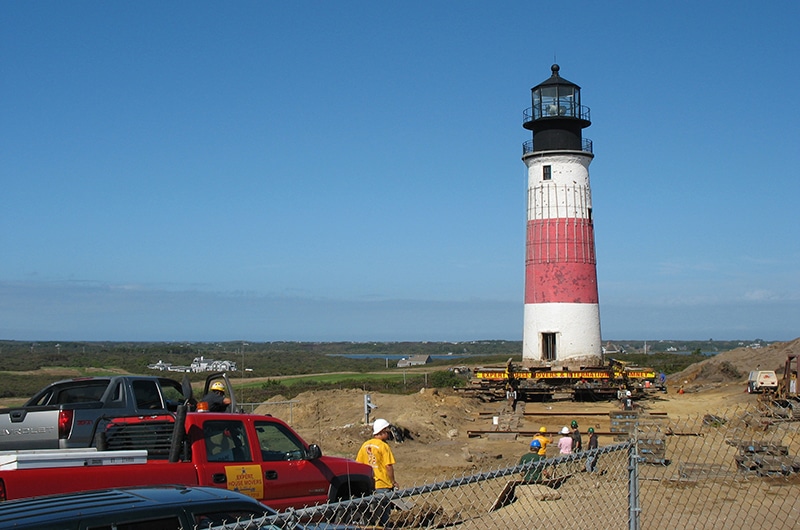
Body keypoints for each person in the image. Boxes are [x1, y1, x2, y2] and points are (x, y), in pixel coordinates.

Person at [356, 418, 397, 526]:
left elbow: (358, 465)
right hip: (382, 483)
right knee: (384, 510)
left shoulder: (365, 445)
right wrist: (393, 481)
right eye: (387, 430)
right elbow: (388, 466)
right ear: (382, 431)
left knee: (370, 508)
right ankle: (384, 526)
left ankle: (369, 524)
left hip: (368, 484)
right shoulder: (384, 446)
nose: (388, 432)